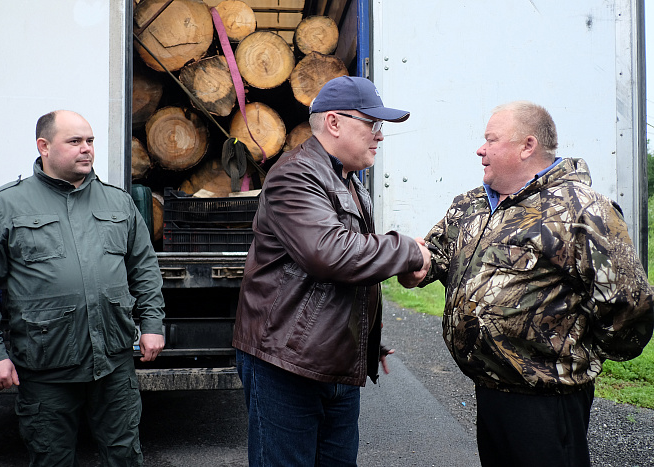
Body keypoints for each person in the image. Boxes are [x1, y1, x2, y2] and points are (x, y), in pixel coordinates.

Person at [399, 101, 654, 466]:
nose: (480, 149)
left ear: (527, 146)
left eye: (491, 140)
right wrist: (417, 267)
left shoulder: (583, 210)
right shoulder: (471, 204)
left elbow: (630, 302)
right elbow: (437, 254)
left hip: (547, 401)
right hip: (489, 390)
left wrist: (576, 353)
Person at [232, 75, 431, 466]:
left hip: (330, 362)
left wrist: (367, 338)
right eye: (372, 124)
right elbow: (329, 253)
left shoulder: (349, 181)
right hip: (286, 364)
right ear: (335, 123)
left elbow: (353, 271)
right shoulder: (295, 174)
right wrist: (408, 251)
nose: (380, 136)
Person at [0, 110, 165, 466]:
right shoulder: (4, 205)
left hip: (113, 363)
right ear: (44, 146)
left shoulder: (118, 202)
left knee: (125, 454)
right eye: (75, 141)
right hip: (46, 367)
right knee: (51, 458)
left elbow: (144, 268)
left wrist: (153, 325)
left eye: (90, 141)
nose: (87, 149)